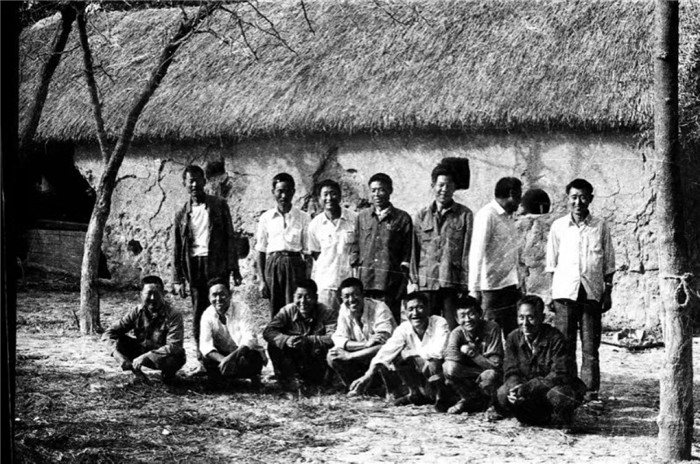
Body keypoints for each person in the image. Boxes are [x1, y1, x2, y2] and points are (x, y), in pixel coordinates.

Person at [546, 178, 615, 401]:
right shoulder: (558, 226)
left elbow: (609, 263)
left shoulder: (600, 226)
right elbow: (551, 263)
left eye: (583, 197)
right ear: (567, 199)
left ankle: (590, 393)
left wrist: (607, 291)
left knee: (590, 347)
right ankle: (567, 392)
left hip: (591, 292)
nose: (578, 202)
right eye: (574, 197)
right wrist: (551, 293)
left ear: (590, 199)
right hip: (565, 293)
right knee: (565, 346)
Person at [172, 165, 242, 364]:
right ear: (185, 184)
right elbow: (177, 247)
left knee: (222, 307)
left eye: (197, 180)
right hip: (194, 266)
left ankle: (229, 354)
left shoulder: (219, 205)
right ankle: (203, 357)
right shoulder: (181, 213)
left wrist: (234, 268)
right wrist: (178, 279)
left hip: (216, 264)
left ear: (204, 181)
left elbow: (229, 237)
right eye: (190, 181)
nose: (194, 185)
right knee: (199, 311)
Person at [348, 292, 451, 411]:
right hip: (422, 367)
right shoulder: (404, 328)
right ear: (405, 313)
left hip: (440, 369)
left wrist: (412, 353)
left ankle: (442, 397)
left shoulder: (439, 322)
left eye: (420, 307)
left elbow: (438, 351)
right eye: (410, 309)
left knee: (433, 362)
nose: (415, 313)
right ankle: (415, 394)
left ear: (428, 309)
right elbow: (386, 351)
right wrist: (367, 376)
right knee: (398, 357)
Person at [495, 295, 586, 427]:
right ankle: (531, 415)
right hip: (526, 390)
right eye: (521, 317)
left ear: (542, 318)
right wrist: (514, 386)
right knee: (503, 394)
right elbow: (510, 369)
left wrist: (528, 388)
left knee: (560, 395)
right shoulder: (513, 337)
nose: (525, 323)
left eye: (530, 317)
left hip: (549, 388)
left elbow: (560, 374)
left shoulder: (556, 338)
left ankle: (564, 418)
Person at [411, 164, 473, 329]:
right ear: (433, 186)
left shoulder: (464, 214)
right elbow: (414, 251)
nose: (444, 190)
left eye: (449, 185)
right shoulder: (421, 215)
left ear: (454, 188)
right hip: (427, 282)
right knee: (427, 327)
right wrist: (415, 281)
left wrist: (465, 282)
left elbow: (467, 251)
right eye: (440, 185)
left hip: (451, 281)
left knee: (452, 326)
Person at [350, 173, 412, 323]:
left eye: (381, 190)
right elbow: (355, 247)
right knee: (367, 321)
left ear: (390, 191)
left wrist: (402, 282)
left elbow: (407, 252)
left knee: (389, 321)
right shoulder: (362, 217)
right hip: (366, 280)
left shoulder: (402, 218)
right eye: (373, 190)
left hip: (390, 283)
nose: (377, 194)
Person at [103, 275, 185, 384]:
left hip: (162, 356)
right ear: (141, 295)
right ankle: (138, 374)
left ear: (163, 294)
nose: (152, 298)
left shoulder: (173, 314)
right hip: (142, 350)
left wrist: (147, 356)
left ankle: (168, 376)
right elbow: (109, 333)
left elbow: (174, 346)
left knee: (176, 357)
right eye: (148, 294)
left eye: (156, 294)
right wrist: (116, 354)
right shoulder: (137, 312)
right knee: (120, 341)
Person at [468, 177, 523, 337]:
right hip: (491, 290)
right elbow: (476, 253)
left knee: (513, 334)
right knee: (491, 334)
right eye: (519, 195)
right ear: (511, 194)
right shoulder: (487, 215)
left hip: (510, 286)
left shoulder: (508, 218)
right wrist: (474, 289)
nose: (520, 201)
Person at [262, 279, 337, 390]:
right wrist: (286, 340)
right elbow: (268, 331)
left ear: (316, 298)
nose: (303, 301)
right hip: (294, 357)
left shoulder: (327, 312)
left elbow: (334, 338)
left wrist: (309, 340)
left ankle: (321, 380)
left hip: (315, 358)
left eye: (308, 297)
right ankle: (286, 378)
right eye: (299, 296)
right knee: (274, 344)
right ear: (293, 297)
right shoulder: (287, 311)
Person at [255, 173, 311, 318]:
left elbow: (307, 253)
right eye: (280, 191)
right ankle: (276, 333)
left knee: (295, 307)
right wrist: (262, 281)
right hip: (273, 266)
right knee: (276, 309)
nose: (284, 196)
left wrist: (307, 279)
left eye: (287, 191)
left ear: (293, 192)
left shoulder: (303, 217)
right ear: (273, 192)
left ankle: (295, 333)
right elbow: (260, 250)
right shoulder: (266, 218)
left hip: (295, 266)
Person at [327, 277, 396, 388]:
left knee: (384, 350)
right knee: (332, 355)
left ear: (363, 294)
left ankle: (381, 387)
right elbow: (339, 339)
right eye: (346, 296)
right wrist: (365, 344)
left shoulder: (380, 308)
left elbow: (383, 344)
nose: (351, 300)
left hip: (383, 358)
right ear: (341, 298)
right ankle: (354, 387)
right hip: (363, 353)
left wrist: (350, 355)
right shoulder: (344, 308)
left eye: (355, 295)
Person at [199, 277, 266, 388]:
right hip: (222, 357)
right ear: (209, 297)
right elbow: (205, 345)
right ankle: (225, 380)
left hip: (241, 354)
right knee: (207, 359)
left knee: (253, 357)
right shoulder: (207, 315)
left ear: (230, 295)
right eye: (214, 295)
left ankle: (253, 377)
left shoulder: (242, 309)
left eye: (222, 294)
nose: (218, 299)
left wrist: (232, 358)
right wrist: (224, 360)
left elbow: (249, 339)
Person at [443, 296, 503, 414]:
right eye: (462, 316)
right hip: (470, 372)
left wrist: (472, 353)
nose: (467, 319)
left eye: (471, 314)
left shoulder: (492, 328)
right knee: (448, 367)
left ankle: (493, 405)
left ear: (479, 314)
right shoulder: (457, 333)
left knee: (490, 375)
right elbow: (450, 358)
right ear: (456, 319)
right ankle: (467, 398)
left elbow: (495, 365)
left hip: (488, 372)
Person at [308, 179, 358, 311]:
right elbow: (315, 254)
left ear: (340, 196)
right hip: (327, 284)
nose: (329, 198)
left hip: (350, 283)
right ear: (319, 199)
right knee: (329, 320)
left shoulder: (355, 219)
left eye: (333, 193)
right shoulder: (315, 224)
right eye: (325, 194)